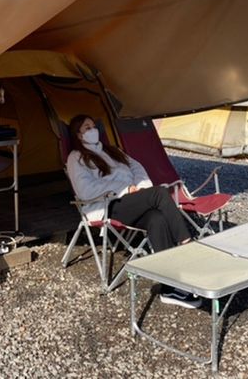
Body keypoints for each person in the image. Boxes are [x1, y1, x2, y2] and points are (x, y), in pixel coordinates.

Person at [66, 114, 200, 309]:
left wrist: (141, 186)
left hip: (132, 199)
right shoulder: (76, 157)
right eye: (87, 128)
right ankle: (188, 247)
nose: (92, 130)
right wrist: (124, 189)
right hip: (107, 204)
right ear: (78, 134)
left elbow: (137, 167)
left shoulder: (112, 150)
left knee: (157, 218)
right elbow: (85, 190)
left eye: (94, 126)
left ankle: (170, 287)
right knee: (160, 194)